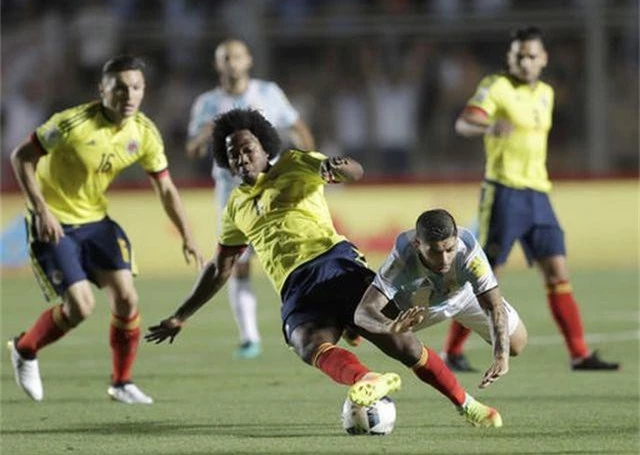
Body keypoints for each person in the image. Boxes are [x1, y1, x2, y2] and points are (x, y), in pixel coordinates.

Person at [145, 108, 503, 428]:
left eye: (246, 148)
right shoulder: (235, 207)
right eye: (231, 153)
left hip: (334, 265)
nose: (239, 157)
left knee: (404, 346)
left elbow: (352, 171)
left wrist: (336, 166)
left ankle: (467, 405)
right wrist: (182, 314)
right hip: (294, 288)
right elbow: (220, 268)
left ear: (265, 148)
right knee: (306, 343)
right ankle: (367, 379)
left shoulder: (294, 163)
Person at [7, 55, 204, 405]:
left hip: (96, 221)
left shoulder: (143, 132)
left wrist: (187, 234)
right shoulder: (71, 124)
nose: (128, 94)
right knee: (80, 308)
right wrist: (42, 210)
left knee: (127, 298)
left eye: (136, 87)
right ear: (103, 90)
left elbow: (167, 188)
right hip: (55, 223)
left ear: (144, 91)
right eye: (120, 87)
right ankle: (25, 348)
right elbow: (21, 157)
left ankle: (121, 382)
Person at [443, 26, 619, 372]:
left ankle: (579, 354)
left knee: (558, 272)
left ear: (543, 59)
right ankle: (452, 351)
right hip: (504, 193)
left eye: (531, 55)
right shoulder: (496, 87)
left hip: (539, 194)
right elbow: (464, 124)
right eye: (519, 55)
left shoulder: (547, 94)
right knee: (486, 275)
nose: (525, 61)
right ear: (510, 58)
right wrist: (489, 127)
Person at [185, 38, 315, 359]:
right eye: (225, 57)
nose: (232, 62)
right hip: (231, 195)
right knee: (236, 266)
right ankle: (249, 339)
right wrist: (208, 132)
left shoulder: (268, 93)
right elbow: (192, 149)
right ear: (218, 65)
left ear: (249, 61)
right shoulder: (207, 103)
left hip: (273, 189)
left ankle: (312, 319)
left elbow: (297, 127)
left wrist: (310, 163)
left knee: (293, 256)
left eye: (237, 56)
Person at [355, 208, 528, 390]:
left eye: (449, 249)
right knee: (366, 326)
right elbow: (363, 312)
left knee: (516, 345)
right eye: (435, 252)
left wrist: (501, 357)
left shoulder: (470, 254)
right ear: (417, 244)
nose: (444, 259)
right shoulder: (402, 258)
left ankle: (465, 317)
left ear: (456, 241)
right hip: (414, 310)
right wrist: (389, 327)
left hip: (463, 296)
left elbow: (494, 306)